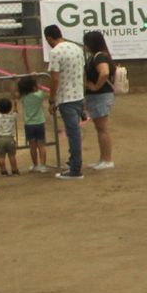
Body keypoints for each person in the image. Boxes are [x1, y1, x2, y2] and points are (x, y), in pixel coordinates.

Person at [44, 25, 88, 181]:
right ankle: (73, 162)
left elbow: (55, 78)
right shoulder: (76, 48)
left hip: (66, 97)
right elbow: (82, 72)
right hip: (78, 94)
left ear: (49, 38)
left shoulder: (55, 52)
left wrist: (51, 99)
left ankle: (75, 168)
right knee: (74, 132)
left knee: (73, 133)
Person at [80, 29, 115, 172]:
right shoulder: (96, 56)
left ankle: (107, 159)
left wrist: (95, 87)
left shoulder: (99, 57)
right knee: (100, 128)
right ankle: (103, 158)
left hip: (100, 95)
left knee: (102, 128)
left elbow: (104, 72)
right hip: (97, 95)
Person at [18, 74, 49, 174]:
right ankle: (43, 165)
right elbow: (40, 88)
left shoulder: (23, 97)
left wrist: (14, 81)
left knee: (32, 146)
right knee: (41, 145)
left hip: (29, 125)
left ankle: (35, 165)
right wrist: (36, 77)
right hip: (40, 123)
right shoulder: (39, 95)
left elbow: (15, 93)